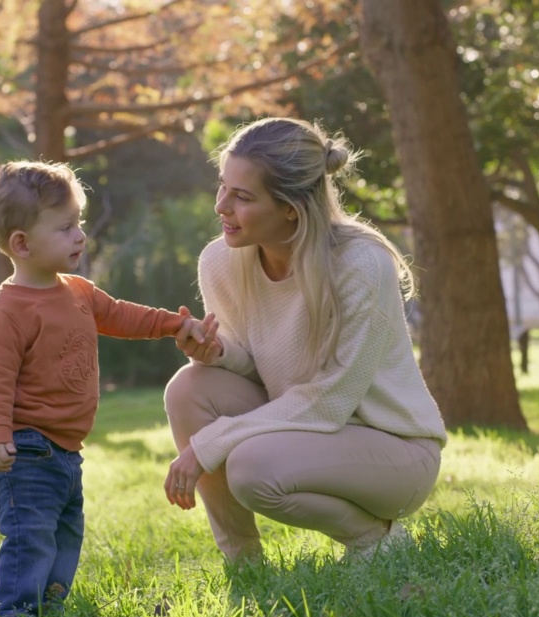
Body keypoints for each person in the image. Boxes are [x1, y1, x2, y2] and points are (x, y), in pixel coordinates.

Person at [163, 117, 447, 563]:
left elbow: (332, 399)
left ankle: (374, 541)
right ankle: (244, 564)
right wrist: (220, 354)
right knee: (188, 388)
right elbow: (261, 365)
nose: (221, 206)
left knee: (250, 467)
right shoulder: (220, 261)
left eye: (242, 197)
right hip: (303, 428)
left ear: (291, 207)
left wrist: (210, 444)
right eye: (222, 187)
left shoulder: (362, 265)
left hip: (394, 450)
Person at [0, 160, 207, 617]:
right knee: (30, 536)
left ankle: (50, 611)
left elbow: (122, 315)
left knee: (66, 533)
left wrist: (178, 323)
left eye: (78, 223)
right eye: (64, 228)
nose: (80, 235)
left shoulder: (78, 291)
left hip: (65, 451)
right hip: (24, 451)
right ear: (21, 243)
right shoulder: (8, 310)